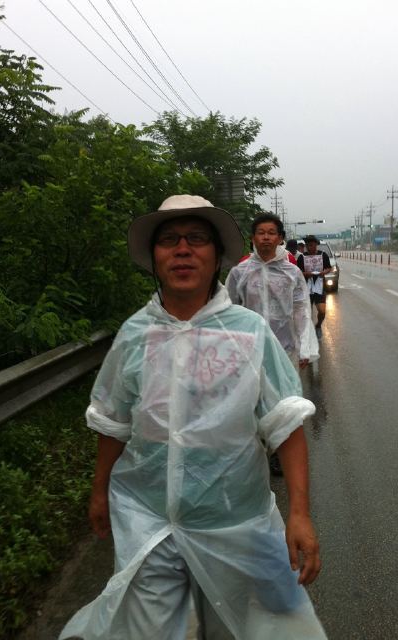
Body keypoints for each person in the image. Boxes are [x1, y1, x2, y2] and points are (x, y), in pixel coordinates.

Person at [59, 195, 326, 640]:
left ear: (217, 255)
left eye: (197, 239)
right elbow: (112, 420)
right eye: (169, 240)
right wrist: (99, 490)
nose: (182, 249)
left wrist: (299, 513)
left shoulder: (248, 332)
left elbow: (285, 422)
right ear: (153, 257)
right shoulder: (135, 334)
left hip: (237, 523)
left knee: (248, 630)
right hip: (150, 522)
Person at [225, 213, 319, 370]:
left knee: (286, 393)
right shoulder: (240, 272)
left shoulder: (292, 273)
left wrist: (305, 347)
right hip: (250, 350)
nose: (266, 237)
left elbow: (301, 309)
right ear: (253, 238)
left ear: (280, 238)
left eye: (271, 233)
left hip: (286, 350)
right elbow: (229, 310)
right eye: (261, 233)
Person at [296, 235, 332, 339]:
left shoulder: (323, 255)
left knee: (322, 311)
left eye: (311, 245)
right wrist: (306, 274)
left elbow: (328, 268)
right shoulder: (302, 257)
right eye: (307, 245)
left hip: (319, 286)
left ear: (316, 245)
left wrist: (323, 272)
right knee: (307, 313)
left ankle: (318, 325)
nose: (309, 247)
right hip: (306, 287)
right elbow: (298, 272)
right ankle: (307, 332)